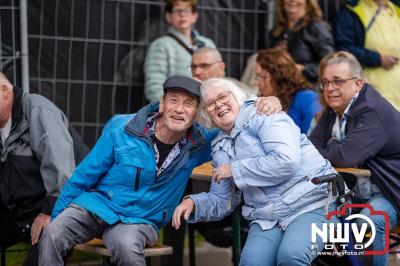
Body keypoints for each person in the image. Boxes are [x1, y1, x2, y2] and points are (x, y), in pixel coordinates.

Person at [38, 75, 279, 266]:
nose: (179, 109)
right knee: (54, 232)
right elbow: (83, 176)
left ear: (196, 113)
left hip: (141, 219)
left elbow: (233, 118)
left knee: (126, 247)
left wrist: (263, 101)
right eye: (173, 100)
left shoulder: (201, 142)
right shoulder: (122, 127)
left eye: (189, 104)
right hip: (98, 204)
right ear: (162, 104)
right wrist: (57, 214)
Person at [173, 78, 340, 266]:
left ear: (237, 97)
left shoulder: (265, 115)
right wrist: (194, 203)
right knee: (252, 262)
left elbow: (287, 160)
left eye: (223, 97)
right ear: (207, 115)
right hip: (268, 216)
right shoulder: (220, 146)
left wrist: (235, 170)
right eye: (210, 104)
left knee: (291, 256)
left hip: (312, 203)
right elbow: (223, 200)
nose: (219, 105)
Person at [309, 51, 400, 266]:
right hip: (353, 193)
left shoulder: (370, 110)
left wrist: (331, 143)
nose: (330, 89)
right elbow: (310, 147)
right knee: (317, 219)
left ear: (358, 84)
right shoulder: (335, 109)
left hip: (390, 192)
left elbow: (346, 157)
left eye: (337, 82)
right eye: (326, 83)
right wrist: (335, 149)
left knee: (370, 222)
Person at [0, 72, 81, 265]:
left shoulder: (38, 109)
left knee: (41, 255)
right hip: (20, 213)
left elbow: (63, 172)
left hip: (62, 208)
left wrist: (50, 212)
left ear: (4, 90)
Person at [144, 0, 216, 103]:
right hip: (180, 109)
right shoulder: (161, 45)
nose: (182, 15)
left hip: (209, 104)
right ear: (168, 17)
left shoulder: (207, 44)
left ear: (194, 16)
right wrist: (172, 108)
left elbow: (220, 76)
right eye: (177, 11)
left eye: (186, 10)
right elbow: (154, 87)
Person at [334, 0, 400, 110]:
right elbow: (343, 49)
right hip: (376, 97)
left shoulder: (396, 7)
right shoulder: (351, 11)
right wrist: (378, 59)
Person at [265, 0, 335, 84]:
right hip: (279, 85)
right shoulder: (277, 31)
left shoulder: (317, 27)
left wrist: (303, 69)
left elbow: (330, 64)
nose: (292, 1)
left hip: (307, 87)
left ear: (308, 2)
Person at [255, 48, 321, 134]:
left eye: (262, 77)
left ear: (278, 76)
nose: (257, 83)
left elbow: (313, 140)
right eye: (256, 77)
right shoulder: (262, 101)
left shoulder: (308, 99)